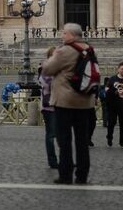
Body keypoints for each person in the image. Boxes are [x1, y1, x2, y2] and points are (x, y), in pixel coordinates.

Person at [40, 23, 97, 184]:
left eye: (64, 33)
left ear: (72, 35)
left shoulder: (64, 51)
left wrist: (54, 56)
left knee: (64, 141)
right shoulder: (89, 49)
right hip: (85, 101)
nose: (62, 36)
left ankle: (65, 175)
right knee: (82, 141)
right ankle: (82, 175)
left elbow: (47, 69)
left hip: (65, 102)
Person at [102, 62, 123, 148]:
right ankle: (109, 137)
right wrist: (114, 92)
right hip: (112, 105)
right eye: (122, 69)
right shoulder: (112, 79)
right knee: (111, 123)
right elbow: (106, 90)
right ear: (118, 69)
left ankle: (122, 142)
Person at [39, 47, 59, 170]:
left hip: (60, 104)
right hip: (49, 106)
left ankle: (65, 159)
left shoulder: (61, 68)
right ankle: (52, 161)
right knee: (51, 134)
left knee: (62, 134)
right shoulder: (46, 68)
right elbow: (45, 83)